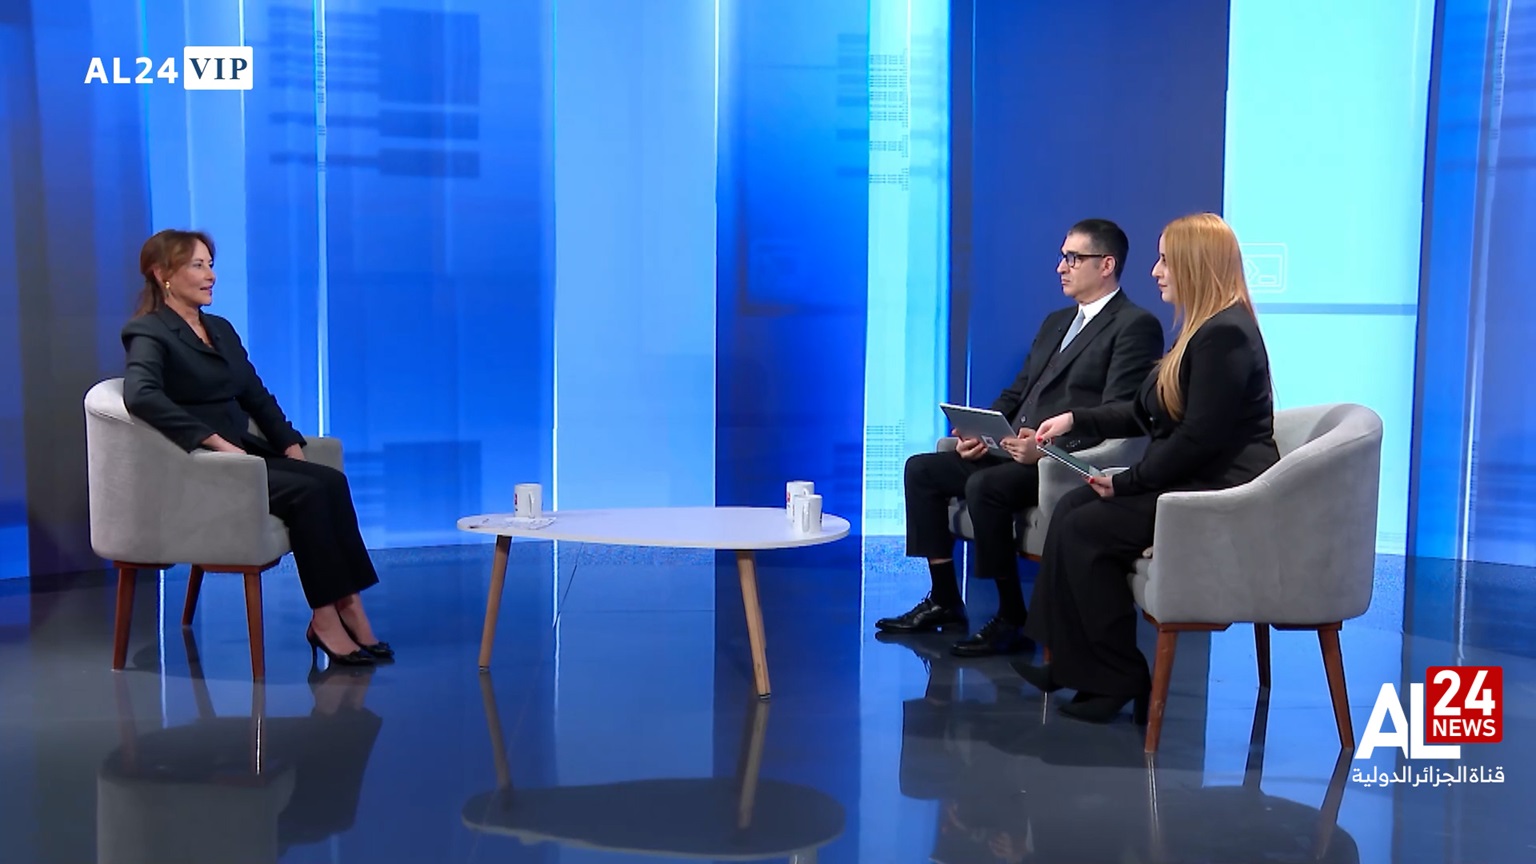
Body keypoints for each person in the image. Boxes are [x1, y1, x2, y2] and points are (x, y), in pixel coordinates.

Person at [1014, 212, 1279, 723]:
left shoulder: (1225, 335)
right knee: (1071, 509)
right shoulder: (1202, 331)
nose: (1156, 271)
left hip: (1215, 494)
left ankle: (1120, 676)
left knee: (1088, 526)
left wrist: (1128, 482)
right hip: (1190, 481)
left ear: (1196, 265)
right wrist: (1074, 418)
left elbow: (1200, 439)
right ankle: (1070, 663)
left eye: (1166, 261)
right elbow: (1143, 411)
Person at [877, 219, 1164, 657]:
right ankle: (944, 600)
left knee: (986, 486)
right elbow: (1019, 391)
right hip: (1015, 448)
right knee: (922, 470)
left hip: (1062, 461)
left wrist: (1047, 449)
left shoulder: (1134, 325)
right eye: (1063, 257)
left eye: (1073, 258)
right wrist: (979, 431)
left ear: (1106, 265)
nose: (1061, 267)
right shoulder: (1056, 322)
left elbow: (1121, 413)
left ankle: (1012, 616)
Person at [120, 229, 390, 667]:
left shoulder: (219, 329)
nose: (211, 275)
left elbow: (255, 395)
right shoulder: (149, 332)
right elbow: (141, 395)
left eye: (210, 265)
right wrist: (214, 442)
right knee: (308, 493)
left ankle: (349, 605)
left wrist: (289, 444)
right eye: (197, 266)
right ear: (161, 274)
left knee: (329, 481)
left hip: (242, 456)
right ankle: (325, 618)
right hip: (203, 466)